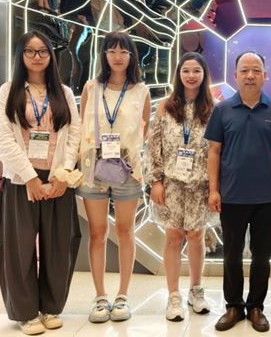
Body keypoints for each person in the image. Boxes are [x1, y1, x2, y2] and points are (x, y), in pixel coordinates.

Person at [0, 31, 82, 335]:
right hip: (21, 180)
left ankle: (51, 308)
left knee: (59, 246)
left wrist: (63, 174)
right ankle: (26, 313)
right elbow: (4, 139)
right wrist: (30, 177)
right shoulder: (8, 91)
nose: (37, 56)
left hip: (57, 181)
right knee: (17, 249)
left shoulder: (64, 92)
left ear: (51, 55)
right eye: (30, 51)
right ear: (21, 55)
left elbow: (74, 135)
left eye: (43, 51)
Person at [205, 51, 271, 333]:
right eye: (244, 70)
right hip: (231, 196)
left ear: (265, 75)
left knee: (261, 256)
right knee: (231, 255)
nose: (250, 75)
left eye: (256, 70)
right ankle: (233, 306)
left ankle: (255, 307)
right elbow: (214, 152)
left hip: (266, 197)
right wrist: (213, 190)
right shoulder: (222, 109)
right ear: (235, 76)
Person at [77, 32, 151, 323]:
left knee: (125, 231)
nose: (117, 57)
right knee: (97, 233)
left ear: (132, 56)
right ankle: (100, 297)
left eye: (123, 51)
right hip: (94, 165)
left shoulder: (141, 91)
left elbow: (144, 131)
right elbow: (82, 126)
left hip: (127, 168)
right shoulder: (91, 87)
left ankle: (122, 296)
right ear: (104, 55)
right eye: (111, 51)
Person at [144, 52, 218, 321]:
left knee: (197, 236)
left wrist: (215, 187)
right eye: (186, 70)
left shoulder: (214, 108)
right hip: (171, 184)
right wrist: (155, 181)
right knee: (174, 237)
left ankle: (196, 291)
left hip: (201, 185)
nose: (191, 75)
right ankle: (173, 296)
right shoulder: (166, 106)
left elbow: (218, 150)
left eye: (196, 70)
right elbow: (154, 146)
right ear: (178, 74)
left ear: (204, 75)